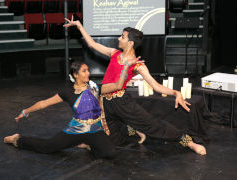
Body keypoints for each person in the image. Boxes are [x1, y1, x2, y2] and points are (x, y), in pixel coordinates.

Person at [64, 17, 206, 155]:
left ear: (130, 43)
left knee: (153, 125)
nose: (119, 38)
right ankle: (130, 129)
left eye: (123, 37)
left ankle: (188, 142)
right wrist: (79, 26)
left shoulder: (138, 64)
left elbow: (155, 85)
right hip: (104, 103)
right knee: (113, 141)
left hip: (122, 102)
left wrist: (175, 93)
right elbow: (93, 44)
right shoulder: (114, 54)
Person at [4, 61, 133, 158]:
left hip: (95, 130)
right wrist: (25, 112)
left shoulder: (94, 87)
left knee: (110, 153)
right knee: (47, 147)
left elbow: (118, 85)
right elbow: (44, 103)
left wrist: (126, 68)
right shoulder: (68, 92)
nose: (88, 73)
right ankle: (17, 139)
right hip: (76, 130)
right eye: (84, 71)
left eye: (88, 70)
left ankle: (88, 144)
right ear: (75, 75)